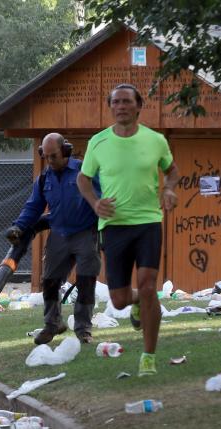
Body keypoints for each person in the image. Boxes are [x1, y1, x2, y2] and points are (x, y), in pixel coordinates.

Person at [77, 84, 180, 376]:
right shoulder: (98, 143)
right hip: (113, 226)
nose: (121, 106)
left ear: (138, 106)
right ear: (110, 107)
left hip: (148, 222)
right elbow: (83, 180)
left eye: (126, 102)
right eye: (116, 102)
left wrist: (169, 190)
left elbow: (172, 171)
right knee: (119, 300)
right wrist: (95, 203)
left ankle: (148, 357)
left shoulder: (155, 140)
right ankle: (137, 303)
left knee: (148, 285)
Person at [6, 133, 101, 345]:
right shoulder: (43, 180)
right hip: (58, 234)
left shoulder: (84, 172)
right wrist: (18, 227)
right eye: (46, 156)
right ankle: (52, 325)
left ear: (65, 151)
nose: (50, 161)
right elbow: (33, 207)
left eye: (54, 156)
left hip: (86, 232)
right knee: (49, 282)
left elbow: (101, 196)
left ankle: (83, 330)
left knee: (86, 282)